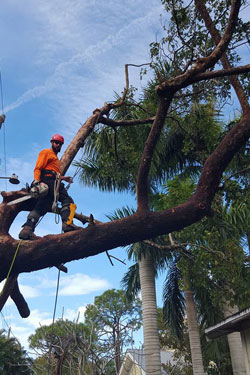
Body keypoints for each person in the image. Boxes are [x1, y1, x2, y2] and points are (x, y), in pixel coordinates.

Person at [19, 134, 81, 240]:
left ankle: (27, 229)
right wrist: (37, 182)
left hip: (53, 181)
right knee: (68, 200)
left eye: (60, 144)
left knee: (42, 205)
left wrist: (64, 178)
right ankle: (67, 223)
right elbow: (38, 168)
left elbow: (54, 174)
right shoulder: (46, 152)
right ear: (51, 142)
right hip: (49, 181)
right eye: (56, 142)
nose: (58, 145)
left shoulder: (56, 159)